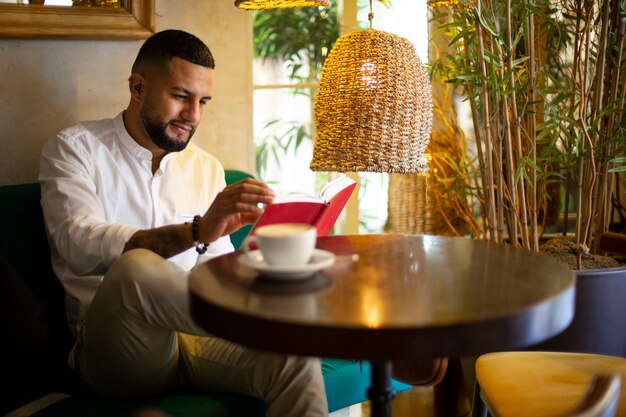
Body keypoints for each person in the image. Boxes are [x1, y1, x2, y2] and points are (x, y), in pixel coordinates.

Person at [38, 29, 327, 417]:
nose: (193, 116)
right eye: (180, 96)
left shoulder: (206, 168)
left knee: (296, 359)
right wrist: (195, 232)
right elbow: (79, 243)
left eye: (203, 101)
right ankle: (268, 318)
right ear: (138, 87)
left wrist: (255, 263)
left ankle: (274, 320)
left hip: (196, 340)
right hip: (120, 350)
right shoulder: (74, 148)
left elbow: (213, 266)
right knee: (136, 265)